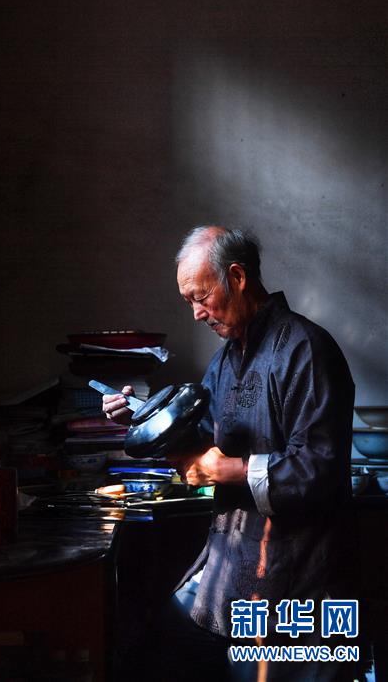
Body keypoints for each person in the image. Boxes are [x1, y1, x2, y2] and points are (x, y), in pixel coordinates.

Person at [103, 226, 357, 681]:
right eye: (189, 302)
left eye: (201, 297)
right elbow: (204, 440)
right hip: (229, 561)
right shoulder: (224, 362)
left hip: (295, 571)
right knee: (150, 651)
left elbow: (318, 466)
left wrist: (229, 470)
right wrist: (138, 418)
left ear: (237, 277)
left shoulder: (306, 348)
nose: (197, 313)